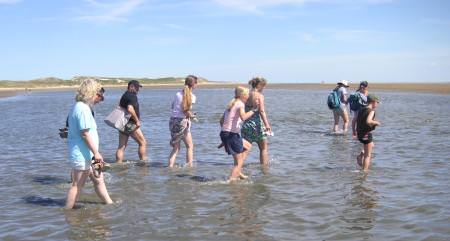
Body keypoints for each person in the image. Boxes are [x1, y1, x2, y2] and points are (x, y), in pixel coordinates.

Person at [65, 79, 113, 209]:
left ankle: (110, 204)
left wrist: (95, 154)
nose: (101, 99)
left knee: (99, 179)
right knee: (77, 185)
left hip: (90, 154)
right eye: (100, 95)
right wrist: (97, 153)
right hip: (83, 154)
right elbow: (84, 134)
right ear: (91, 92)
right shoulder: (83, 109)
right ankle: (68, 212)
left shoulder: (80, 107)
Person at [220, 86, 258, 181]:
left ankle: (238, 172)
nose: (248, 96)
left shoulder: (231, 104)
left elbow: (221, 121)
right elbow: (243, 117)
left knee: (248, 146)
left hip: (227, 134)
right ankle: (231, 181)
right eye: (247, 94)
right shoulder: (240, 104)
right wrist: (253, 111)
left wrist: (225, 138)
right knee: (239, 162)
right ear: (243, 95)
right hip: (231, 135)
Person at [168, 75, 198, 168]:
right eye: (196, 83)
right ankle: (190, 167)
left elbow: (173, 106)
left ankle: (170, 167)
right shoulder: (192, 96)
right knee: (190, 146)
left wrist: (189, 114)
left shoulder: (177, 94)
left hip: (173, 121)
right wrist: (192, 116)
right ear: (194, 85)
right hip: (182, 122)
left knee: (176, 148)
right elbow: (185, 110)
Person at [241, 77, 272, 165]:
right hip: (257, 125)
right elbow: (261, 111)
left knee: (245, 148)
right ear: (259, 85)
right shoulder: (259, 96)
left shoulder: (245, 94)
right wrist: (267, 125)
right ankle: (264, 169)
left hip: (246, 124)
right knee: (263, 148)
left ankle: (238, 167)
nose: (264, 88)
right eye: (263, 86)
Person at [115, 80, 148, 163]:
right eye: (137, 87)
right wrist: (137, 121)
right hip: (130, 123)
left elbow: (119, 106)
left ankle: (118, 164)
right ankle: (143, 162)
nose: (138, 89)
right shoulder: (132, 96)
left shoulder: (125, 95)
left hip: (122, 122)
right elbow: (130, 109)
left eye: (139, 88)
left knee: (121, 147)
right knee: (143, 143)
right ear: (131, 86)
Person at [356, 94, 381, 172]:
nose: (377, 104)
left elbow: (356, 120)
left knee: (372, 145)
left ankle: (360, 156)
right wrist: (376, 122)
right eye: (377, 102)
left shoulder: (361, 109)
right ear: (373, 102)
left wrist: (354, 131)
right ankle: (364, 172)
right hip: (366, 134)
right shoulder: (371, 111)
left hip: (360, 134)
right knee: (368, 155)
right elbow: (368, 121)